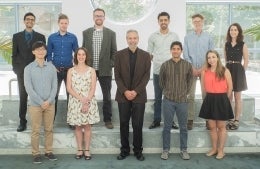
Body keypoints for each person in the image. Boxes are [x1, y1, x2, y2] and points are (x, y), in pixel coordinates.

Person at [114, 30, 151, 161]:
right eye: (130, 38)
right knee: (123, 123)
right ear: (126, 39)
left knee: (137, 124)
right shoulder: (118, 55)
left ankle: (138, 151)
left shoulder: (146, 56)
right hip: (122, 95)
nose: (132, 40)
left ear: (138, 39)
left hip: (139, 95)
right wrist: (125, 91)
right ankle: (124, 150)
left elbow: (146, 76)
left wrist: (135, 91)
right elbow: (117, 76)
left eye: (135, 38)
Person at [82, 8, 117, 129]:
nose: (99, 17)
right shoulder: (86, 33)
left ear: (104, 18)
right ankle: (89, 118)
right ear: (93, 17)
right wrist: (84, 66)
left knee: (106, 96)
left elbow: (114, 52)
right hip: (89, 70)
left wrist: (110, 64)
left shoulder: (111, 33)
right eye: (96, 15)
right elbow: (83, 51)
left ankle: (107, 119)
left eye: (101, 16)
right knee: (88, 95)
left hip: (105, 70)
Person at [24, 41, 58, 164]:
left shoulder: (51, 67)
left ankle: (49, 151)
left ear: (46, 51)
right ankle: (36, 153)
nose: (41, 51)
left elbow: (55, 86)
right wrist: (40, 102)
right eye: (38, 49)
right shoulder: (28, 68)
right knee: (36, 130)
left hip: (50, 104)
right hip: (35, 105)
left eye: (43, 49)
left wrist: (48, 101)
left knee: (49, 129)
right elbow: (29, 88)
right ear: (33, 52)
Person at [12, 12, 46, 132]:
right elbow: (14, 55)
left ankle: (38, 122)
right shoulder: (16, 37)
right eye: (28, 19)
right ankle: (22, 121)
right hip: (22, 72)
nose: (30, 21)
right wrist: (16, 70)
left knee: (37, 96)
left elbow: (43, 55)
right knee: (23, 96)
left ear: (34, 22)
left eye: (32, 19)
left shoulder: (41, 37)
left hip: (36, 71)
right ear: (24, 21)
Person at [160, 41, 193, 160]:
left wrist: (185, 92)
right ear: (171, 50)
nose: (175, 51)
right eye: (173, 49)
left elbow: (190, 80)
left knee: (183, 127)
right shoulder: (165, 65)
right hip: (168, 100)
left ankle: (184, 149)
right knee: (166, 127)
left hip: (182, 101)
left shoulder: (187, 65)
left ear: (181, 51)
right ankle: (165, 150)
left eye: (178, 49)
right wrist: (167, 91)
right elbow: (161, 81)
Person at [199, 50, 234, 159]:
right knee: (212, 126)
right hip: (209, 99)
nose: (211, 59)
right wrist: (206, 100)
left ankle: (221, 150)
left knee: (221, 126)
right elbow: (203, 88)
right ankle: (214, 149)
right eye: (209, 57)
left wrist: (224, 100)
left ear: (218, 58)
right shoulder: (204, 71)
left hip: (222, 99)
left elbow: (230, 88)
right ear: (207, 59)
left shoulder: (225, 70)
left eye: (213, 57)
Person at [67, 47, 100, 160]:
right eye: (79, 55)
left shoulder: (92, 70)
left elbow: (93, 88)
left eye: (83, 55)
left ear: (86, 56)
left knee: (87, 126)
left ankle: (87, 150)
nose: (81, 57)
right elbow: (69, 88)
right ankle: (79, 149)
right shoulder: (71, 70)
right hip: (75, 102)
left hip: (88, 101)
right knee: (77, 126)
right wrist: (81, 99)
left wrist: (86, 102)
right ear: (76, 56)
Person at [147, 11, 179, 130]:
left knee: (171, 98)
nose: (163, 22)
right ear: (158, 22)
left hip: (171, 72)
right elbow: (149, 54)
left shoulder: (174, 36)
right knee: (158, 97)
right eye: (161, 20)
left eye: (165, 20)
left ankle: (170, 121)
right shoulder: (153, 36)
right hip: (157, 71)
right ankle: (156, 120)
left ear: (169, 21)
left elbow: (177, 52)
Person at [183, 13, 214, 130]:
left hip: (205, 70)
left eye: (199, 21)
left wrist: (202, 69)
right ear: (192, 23)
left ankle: (207, 120)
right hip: (190, 70)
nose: (197, 23)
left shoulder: (209, 37)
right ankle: (189, 120)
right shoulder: (187, 37)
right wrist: (192, 68)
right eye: (195, 22)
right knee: (190, 96)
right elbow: (185, 54)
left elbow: (212, 55)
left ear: (203, 22)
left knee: (206, 95)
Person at [47, 13, 79, 125]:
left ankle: (71, 121)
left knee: (70, 96)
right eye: (62, 23)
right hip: (55, 71)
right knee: (53, 96)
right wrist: (51, 67)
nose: (64, 25)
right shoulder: (51, 38)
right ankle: (51, 121)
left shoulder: (73, 37)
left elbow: (77, 54)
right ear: (58, 23)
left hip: (69, 71)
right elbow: (48, 55)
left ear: (68, 24)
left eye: (66, 23)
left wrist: (75, 67)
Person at [224, 23, 249, 130]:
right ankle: (230, 118)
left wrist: (242, 72)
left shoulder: (243, 44)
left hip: (238, 71)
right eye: (231, 30)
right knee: (229, 96)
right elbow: (225, 60)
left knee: (237, 97)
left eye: (235, 30)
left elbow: (246, 60)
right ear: (229, 32)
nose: (233, 31)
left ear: (238, 32)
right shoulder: (226, 44)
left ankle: (236, 120)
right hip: (228, 70)